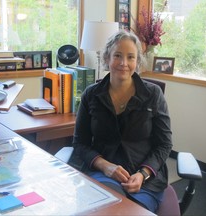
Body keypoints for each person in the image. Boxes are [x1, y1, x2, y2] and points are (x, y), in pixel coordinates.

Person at [72, 30, 173, 213]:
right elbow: (80, 143)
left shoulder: (153, 95)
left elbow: (164, 145)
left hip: (144, 179)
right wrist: (105, 166)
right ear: (107, 58)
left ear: (137, 61)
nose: (123, 63)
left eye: (130, 57)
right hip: (103, 174)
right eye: (117, 55)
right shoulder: (91, 95)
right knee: (109, 208)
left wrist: (143, 174)